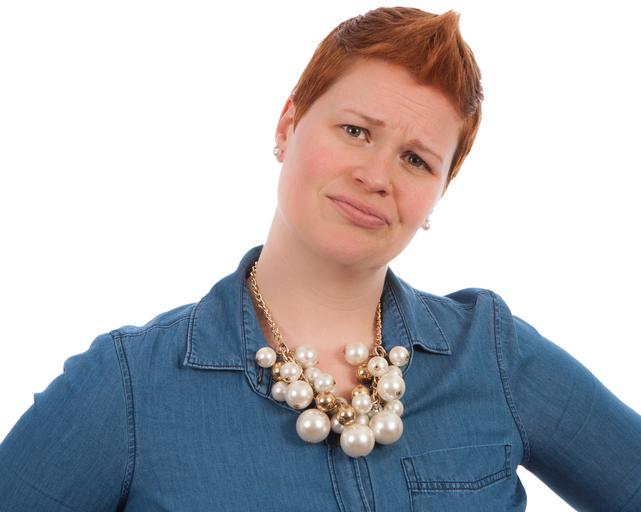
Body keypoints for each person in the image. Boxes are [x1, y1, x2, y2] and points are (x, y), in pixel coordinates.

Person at [1, 6, 640, 511]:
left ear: (439, 193)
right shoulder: (129, 386)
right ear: (287, 126)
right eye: (356, 131)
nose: (376, 176)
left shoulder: (492, 354)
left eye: (416, 160)